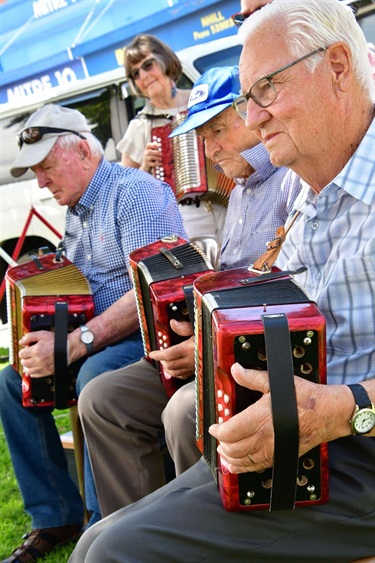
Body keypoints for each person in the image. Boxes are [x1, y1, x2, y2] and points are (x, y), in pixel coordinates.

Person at [69, 1, 375, 561]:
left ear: (337, 66)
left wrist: (342, 407)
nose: (252, 120)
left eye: (266, 90)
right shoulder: (310, 185)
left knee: (118, 551)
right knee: (97, 541)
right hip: (310, 437)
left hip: (356, 446)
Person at [76, 65, 300, 518]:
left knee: (183, 411)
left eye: (218, 129)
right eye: (202, 134)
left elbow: (287, 297)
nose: (209, 147)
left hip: (256, 353)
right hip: (218, 343)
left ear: (253, 114)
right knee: (102, 398)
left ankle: (194, 533)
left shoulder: (291, 178)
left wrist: (202, 344)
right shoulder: (239, 190)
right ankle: (134, 531)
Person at [0, 103, 187, 563]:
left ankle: (105, 525)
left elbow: (150, 290)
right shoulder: (77, 206)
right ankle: (56, 514)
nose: (41, 182)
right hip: (96, 335)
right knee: (9, 382)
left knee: (95, 377)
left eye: (46, 167)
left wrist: (72, 343)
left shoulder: (134, 193)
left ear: (83, 150)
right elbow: (79, 286)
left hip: (153, 337)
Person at [117, 33, 228, 242]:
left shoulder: (201, 100)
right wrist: (144, 169)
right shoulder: (140, 126)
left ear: (164, 61)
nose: (144, 75)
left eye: (148, 65)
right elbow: (124, 196)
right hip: (184, 218)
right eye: (135, 74)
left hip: (228, 203)